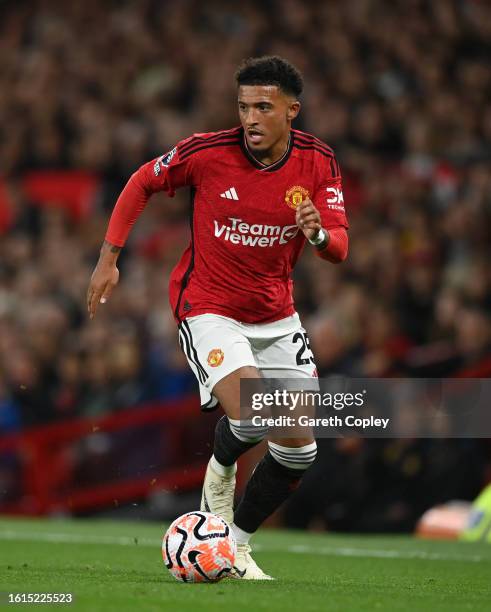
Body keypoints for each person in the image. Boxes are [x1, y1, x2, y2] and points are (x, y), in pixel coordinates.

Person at [87, 56, 348, 579]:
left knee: (299, 448)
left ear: (291, 111)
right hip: (208, 306)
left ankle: (236, 546)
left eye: (263, 107)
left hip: (276, 314)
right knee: (253, 412)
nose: (250, 117)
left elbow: (338, 248)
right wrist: (108, 258)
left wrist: (316, 232)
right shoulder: (207, 152)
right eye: (244, 106)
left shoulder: (319, 161)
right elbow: (142, 181)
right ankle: (220, 469)